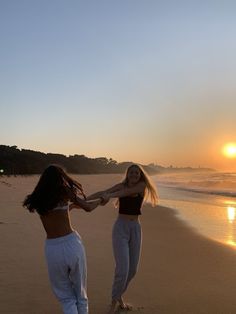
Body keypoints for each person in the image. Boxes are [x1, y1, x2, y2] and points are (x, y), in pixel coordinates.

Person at [23, 165, 103, 314]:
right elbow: (88, 207)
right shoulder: (64, 192)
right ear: (61, 177)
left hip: (53, 248)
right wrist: (101, 200)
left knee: (66, 297)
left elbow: (63, 209)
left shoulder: (38, 198)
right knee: (81, 294)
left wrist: (71, 207)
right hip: (72, 244)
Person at [87, 164, 158, 313]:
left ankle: (118, 296)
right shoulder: (121, 185)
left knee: (132, 270)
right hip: (121, 229)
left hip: (136, 229)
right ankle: (114, 301)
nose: (134, 175)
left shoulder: (141, 186)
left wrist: (108, 196)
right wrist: (84, 200)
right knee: (122, 270)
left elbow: (125, 193)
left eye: (137, 173)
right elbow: (104, 192)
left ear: (140, 175)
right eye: (131, 172)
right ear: (127, 174)